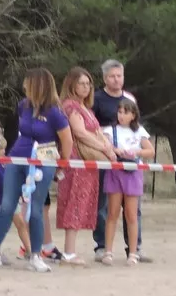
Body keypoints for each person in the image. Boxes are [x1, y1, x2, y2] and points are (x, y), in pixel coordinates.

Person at [0, 69, 72, 272]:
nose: (24, 87)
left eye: (28, 83)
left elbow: (67, 140)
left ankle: (35, 255)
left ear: (38, 86)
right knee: (6, 206)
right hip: (18, 156)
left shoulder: (55, 112)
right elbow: (23, 131)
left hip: (44, 160)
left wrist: (60, 165)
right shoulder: (23, 106)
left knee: (36, 209)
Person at [57, 67, 113, 264]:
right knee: (74, 202)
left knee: (81, 204)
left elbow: (96, 131)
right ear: (72, 84)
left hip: (88, 164)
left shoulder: (86, 108)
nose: (85, 87)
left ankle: (70, 251)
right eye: (81, 83)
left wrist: (108, 146)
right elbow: (80, 132)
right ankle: (69, 252)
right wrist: (104, 148)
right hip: (77, 161)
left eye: (88, 83)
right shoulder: (71, 106)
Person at [91, 60, 143, 260]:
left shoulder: (129, 98)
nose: (116, 79)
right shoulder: (96, 98)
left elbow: (137, 127)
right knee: (104, 205)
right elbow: (92, 127)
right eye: (112, 76)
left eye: (119, 76)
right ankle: (103, 246)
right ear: (105, 78)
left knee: (133, 209)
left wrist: (135, 149)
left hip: (130, 162)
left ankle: (134, 248)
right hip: (106, 157)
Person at [101, 98, 153, 265]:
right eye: (120, 112)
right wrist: (115, 150)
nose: (121, 115)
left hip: (133, 172)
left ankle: (133, 252)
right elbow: (105, 145)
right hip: (115, 171)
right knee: (112, 213)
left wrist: (136, 152)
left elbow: (150, 151)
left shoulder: (139, 131)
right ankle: (108, 251)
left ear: (133, 115)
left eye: (126, 112)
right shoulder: (110, 130)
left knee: (131, 214)